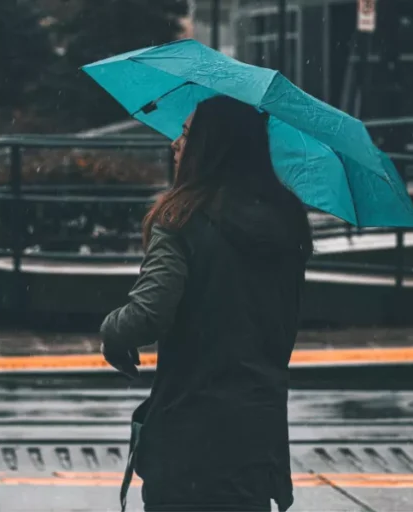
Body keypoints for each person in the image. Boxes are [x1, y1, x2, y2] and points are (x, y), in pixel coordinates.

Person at [99, 95, 314, 512]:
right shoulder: (286, 220)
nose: (174, 145)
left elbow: (147, 315)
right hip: (256, 435)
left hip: (190, 435)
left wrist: (111, 331)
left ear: (209, 147)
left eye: (184, 134)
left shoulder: (183, 219)